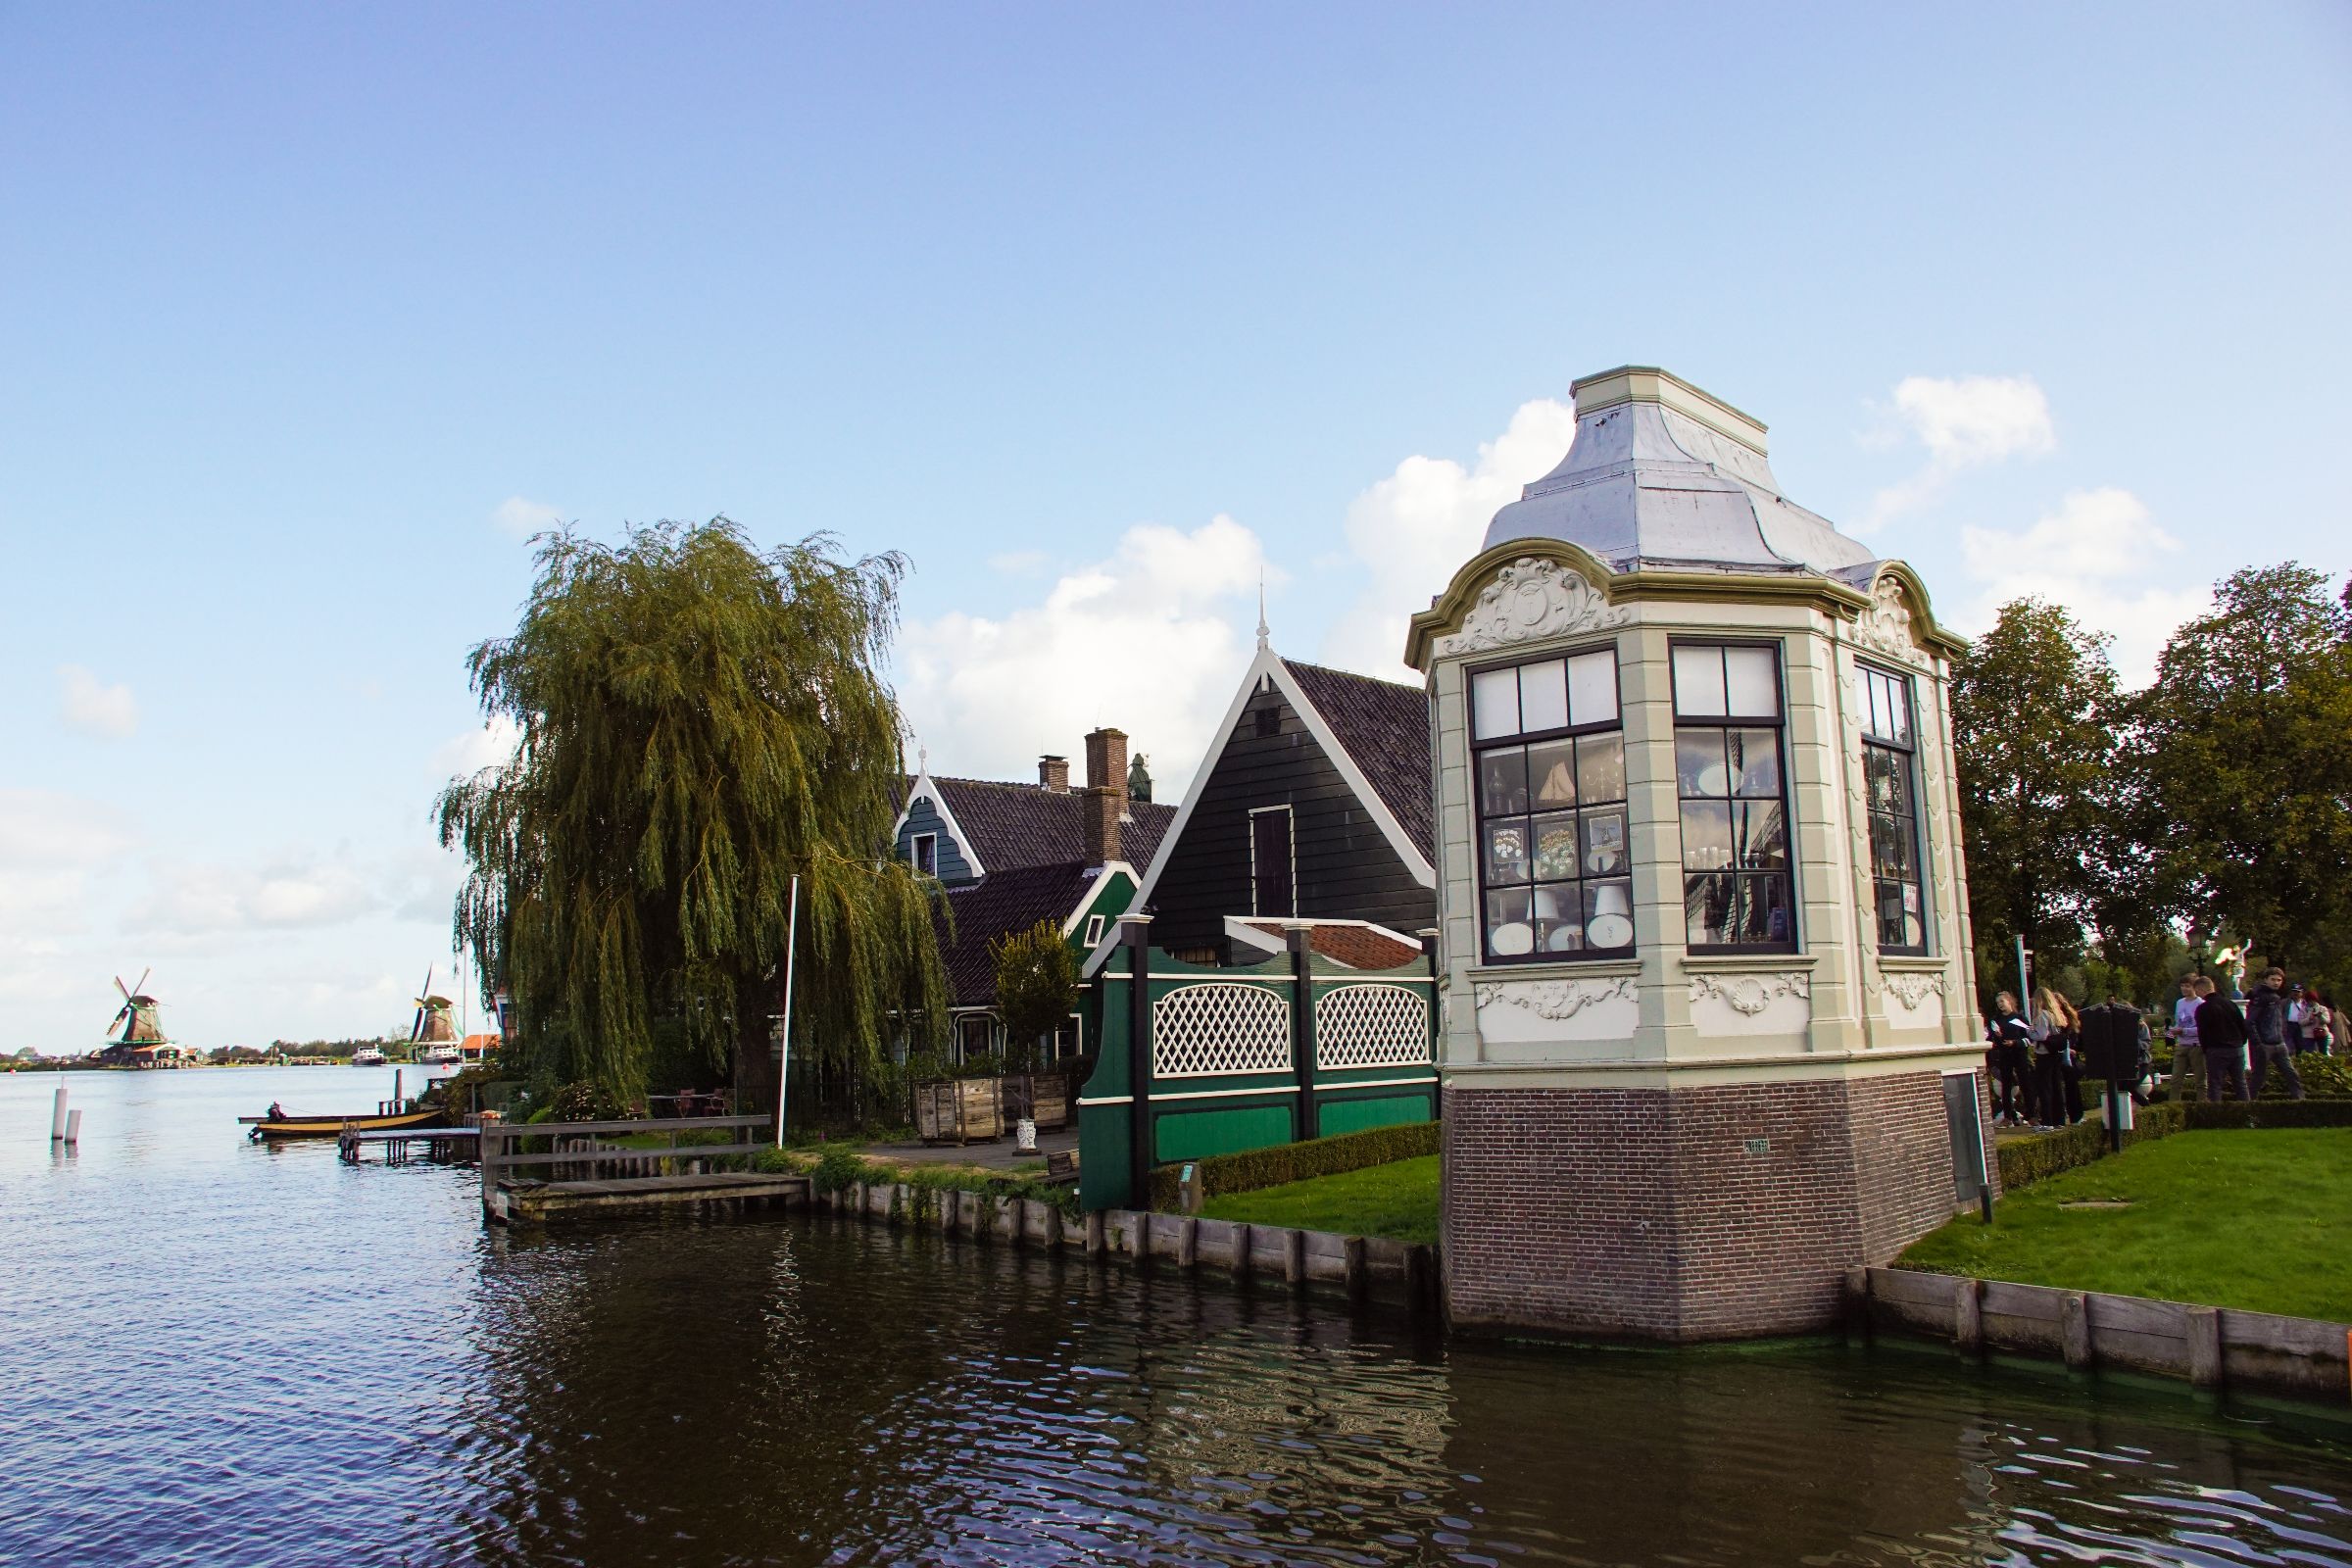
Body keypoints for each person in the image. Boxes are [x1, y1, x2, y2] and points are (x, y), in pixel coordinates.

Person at [2245, 967, 2306, 1100]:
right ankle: (2247, 1106)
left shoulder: (2275, 997)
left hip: (2279, 1042)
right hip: (2265, 1044)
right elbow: (2250, 1022)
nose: (2276, 983)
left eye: (2279, 980)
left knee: (2292, 1074)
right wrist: (2258, 1043)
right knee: (2258, 1078)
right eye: (2273, 979)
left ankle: (2301, 1103)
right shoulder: (2260, 997)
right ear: (2265, 980)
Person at [2192, 977, 2251, 1102]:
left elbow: (2203, 1033)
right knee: (2241, 1084)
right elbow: (2243, 1026)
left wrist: (2206, 1049)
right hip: (2236, 1049)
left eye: (2196, 991)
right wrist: (2241, 1042)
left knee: (2215, 1085)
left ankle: (2215, 1115)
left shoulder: (2203, 1009)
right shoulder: (2230, 1004)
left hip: (2216, 1050)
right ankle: (2248, 1115)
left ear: (2200, 989)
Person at [2029, 986, 2077, 1130]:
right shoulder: (2056, 1014)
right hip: (2056, 1053)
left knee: (2045, 1087)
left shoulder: (2042, 1015)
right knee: (2056, 1086)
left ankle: (2047, 1121)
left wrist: (2029, 1032)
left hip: (2045, 1054)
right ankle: (2059, 1119)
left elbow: (2042, 1036)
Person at [1986, 995, 2033, 1126]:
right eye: (1997, 1002)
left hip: (2019, 1053)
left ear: (2009, 1001)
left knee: (2025, 1082)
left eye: (2002, 1001)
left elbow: (2029, 1038)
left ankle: (2031, 1115)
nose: (2000, 1004)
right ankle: (2008, 1116)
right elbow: (1991, 1038)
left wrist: (2015, 1043)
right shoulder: (1996, 1020)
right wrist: (1998, 1037)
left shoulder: (2020, 1018)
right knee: (2006, 1085)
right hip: (2005, 1054)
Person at [2171, 975, 2205, 1102]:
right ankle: (2173, 1108)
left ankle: (2202, 1108)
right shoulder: (2179, 1003)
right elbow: (2178, 1022)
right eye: (2182, 986)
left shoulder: (2200, 1004)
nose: (2184, 988)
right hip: (2182, 1044)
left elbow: (2202, 1029)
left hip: (2196, 1046)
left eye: (2187, 986)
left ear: (2194, 987)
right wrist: (2173, 1030)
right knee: (2175, 1080)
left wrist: (2184, 1031)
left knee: (2200, 1081)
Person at [2295, 986, 2332, 1056]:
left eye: (2313, 1000)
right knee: (2309, 1054)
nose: (2311, 1002)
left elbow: (2328, 1021)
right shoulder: (2303, 1010)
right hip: (2308, 1035)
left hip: (2321, 1033)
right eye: (2309, 1000)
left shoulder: (2323, 1008)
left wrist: (2320, 1016)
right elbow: (2300, 1022)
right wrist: (2309, 1019)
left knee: (2323, 1053)